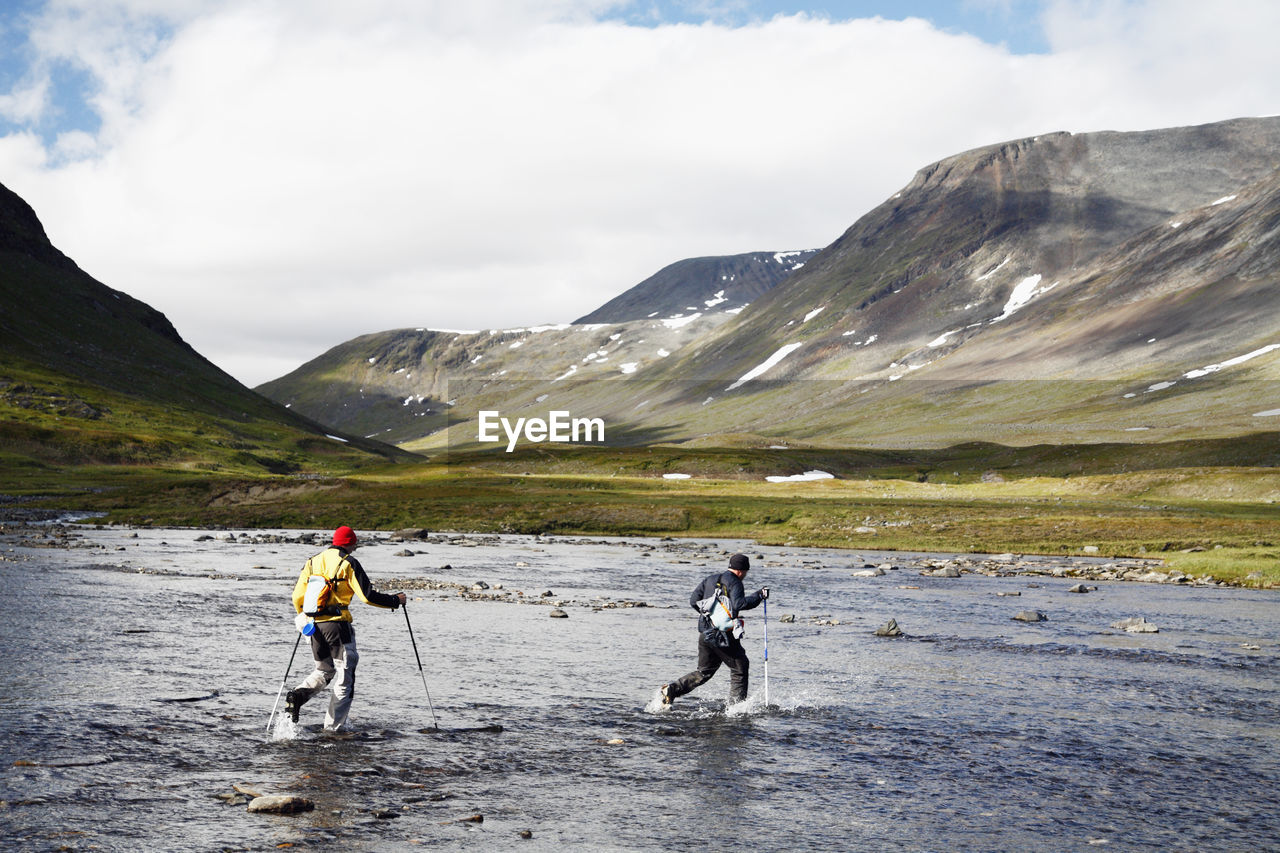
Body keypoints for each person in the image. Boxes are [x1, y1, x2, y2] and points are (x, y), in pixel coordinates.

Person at [285, 525, 406, 731]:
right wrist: (395, 600)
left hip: (312, 625)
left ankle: (297, 696)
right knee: (344, 679)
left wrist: (305, 618)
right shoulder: (348, 563)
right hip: (338, 627)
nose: (356, 548)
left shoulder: (312, 561)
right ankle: (333, 730)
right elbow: (367, 596)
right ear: (350, 543)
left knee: (324, 670)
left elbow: (297, 597)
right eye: (355, 544)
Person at [660, 553, 768, 707]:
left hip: (705, 633)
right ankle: (737, 708)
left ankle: (672, 689)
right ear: (741, 571)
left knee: (704, 672)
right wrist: (759, 595)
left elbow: (693, 601)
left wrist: (710, 617)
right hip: (722, 636)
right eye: (746, 572)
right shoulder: (735, 582)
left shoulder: (710, 579)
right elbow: (740, 604)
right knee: (740, 667)